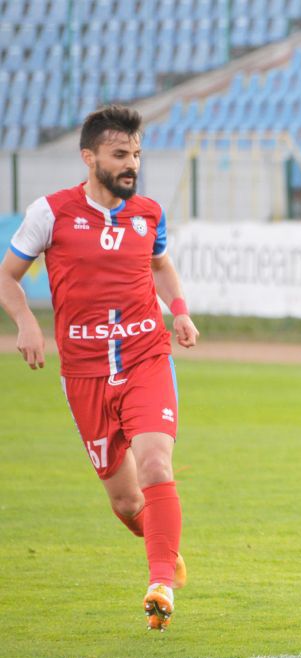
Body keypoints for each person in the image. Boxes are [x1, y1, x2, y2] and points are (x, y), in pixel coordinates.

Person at [0, 105, 197, 631]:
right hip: (84, 372)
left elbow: (160, 263)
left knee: (156, 463)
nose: (131, 164)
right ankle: (163, 548)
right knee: (127, 499)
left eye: (135, 154)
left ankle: (158, 582)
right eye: (119, 155)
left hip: (145, 356)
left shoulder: (148, 213)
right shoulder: (51, 212)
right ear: (89, 158)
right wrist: (24, 322)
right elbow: (8, 277)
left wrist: (178, 312)